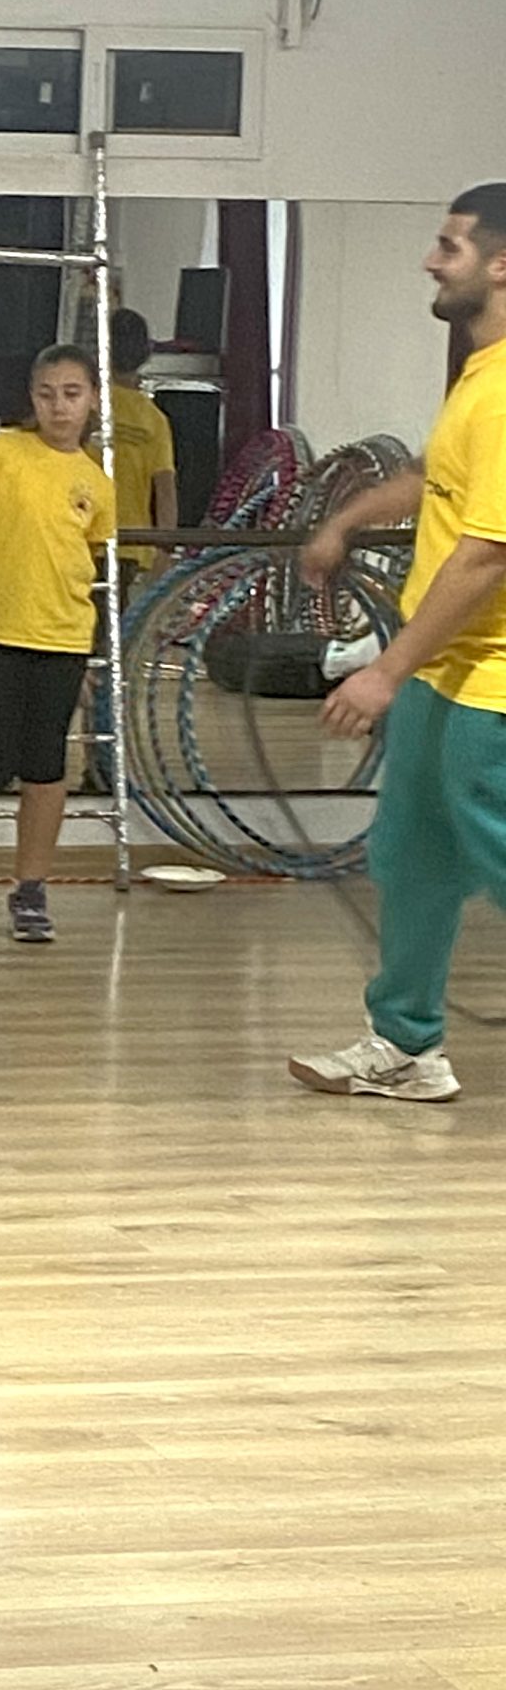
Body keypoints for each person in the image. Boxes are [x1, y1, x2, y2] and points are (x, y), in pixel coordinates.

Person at [290, 185, 506, 1104]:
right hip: (443, 679)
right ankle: (407, 1045)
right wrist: (347, 521)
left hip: (492, 686)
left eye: (449, 247)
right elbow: (434, 479)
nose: (430, 260)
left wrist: (383, 670)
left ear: (502, 264)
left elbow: (487, 551)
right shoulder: (480, 374)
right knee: (413, 860)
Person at [0, 343, 115, 945]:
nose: (59, 407)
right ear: (32, 398)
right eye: (47, 394)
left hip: (63, 640)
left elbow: (82, 563)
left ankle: (31, 889)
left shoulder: (96, 482)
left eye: (72, 394)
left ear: (92, 400)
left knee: (45, 766)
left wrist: (84, 655)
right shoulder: (1, 454)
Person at [95, 307, 178, 593]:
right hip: (131, 543)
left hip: (80, 537)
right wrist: (165, 551)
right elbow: (165, 492)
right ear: (146, 354)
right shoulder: (154, 419)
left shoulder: (86, 404)